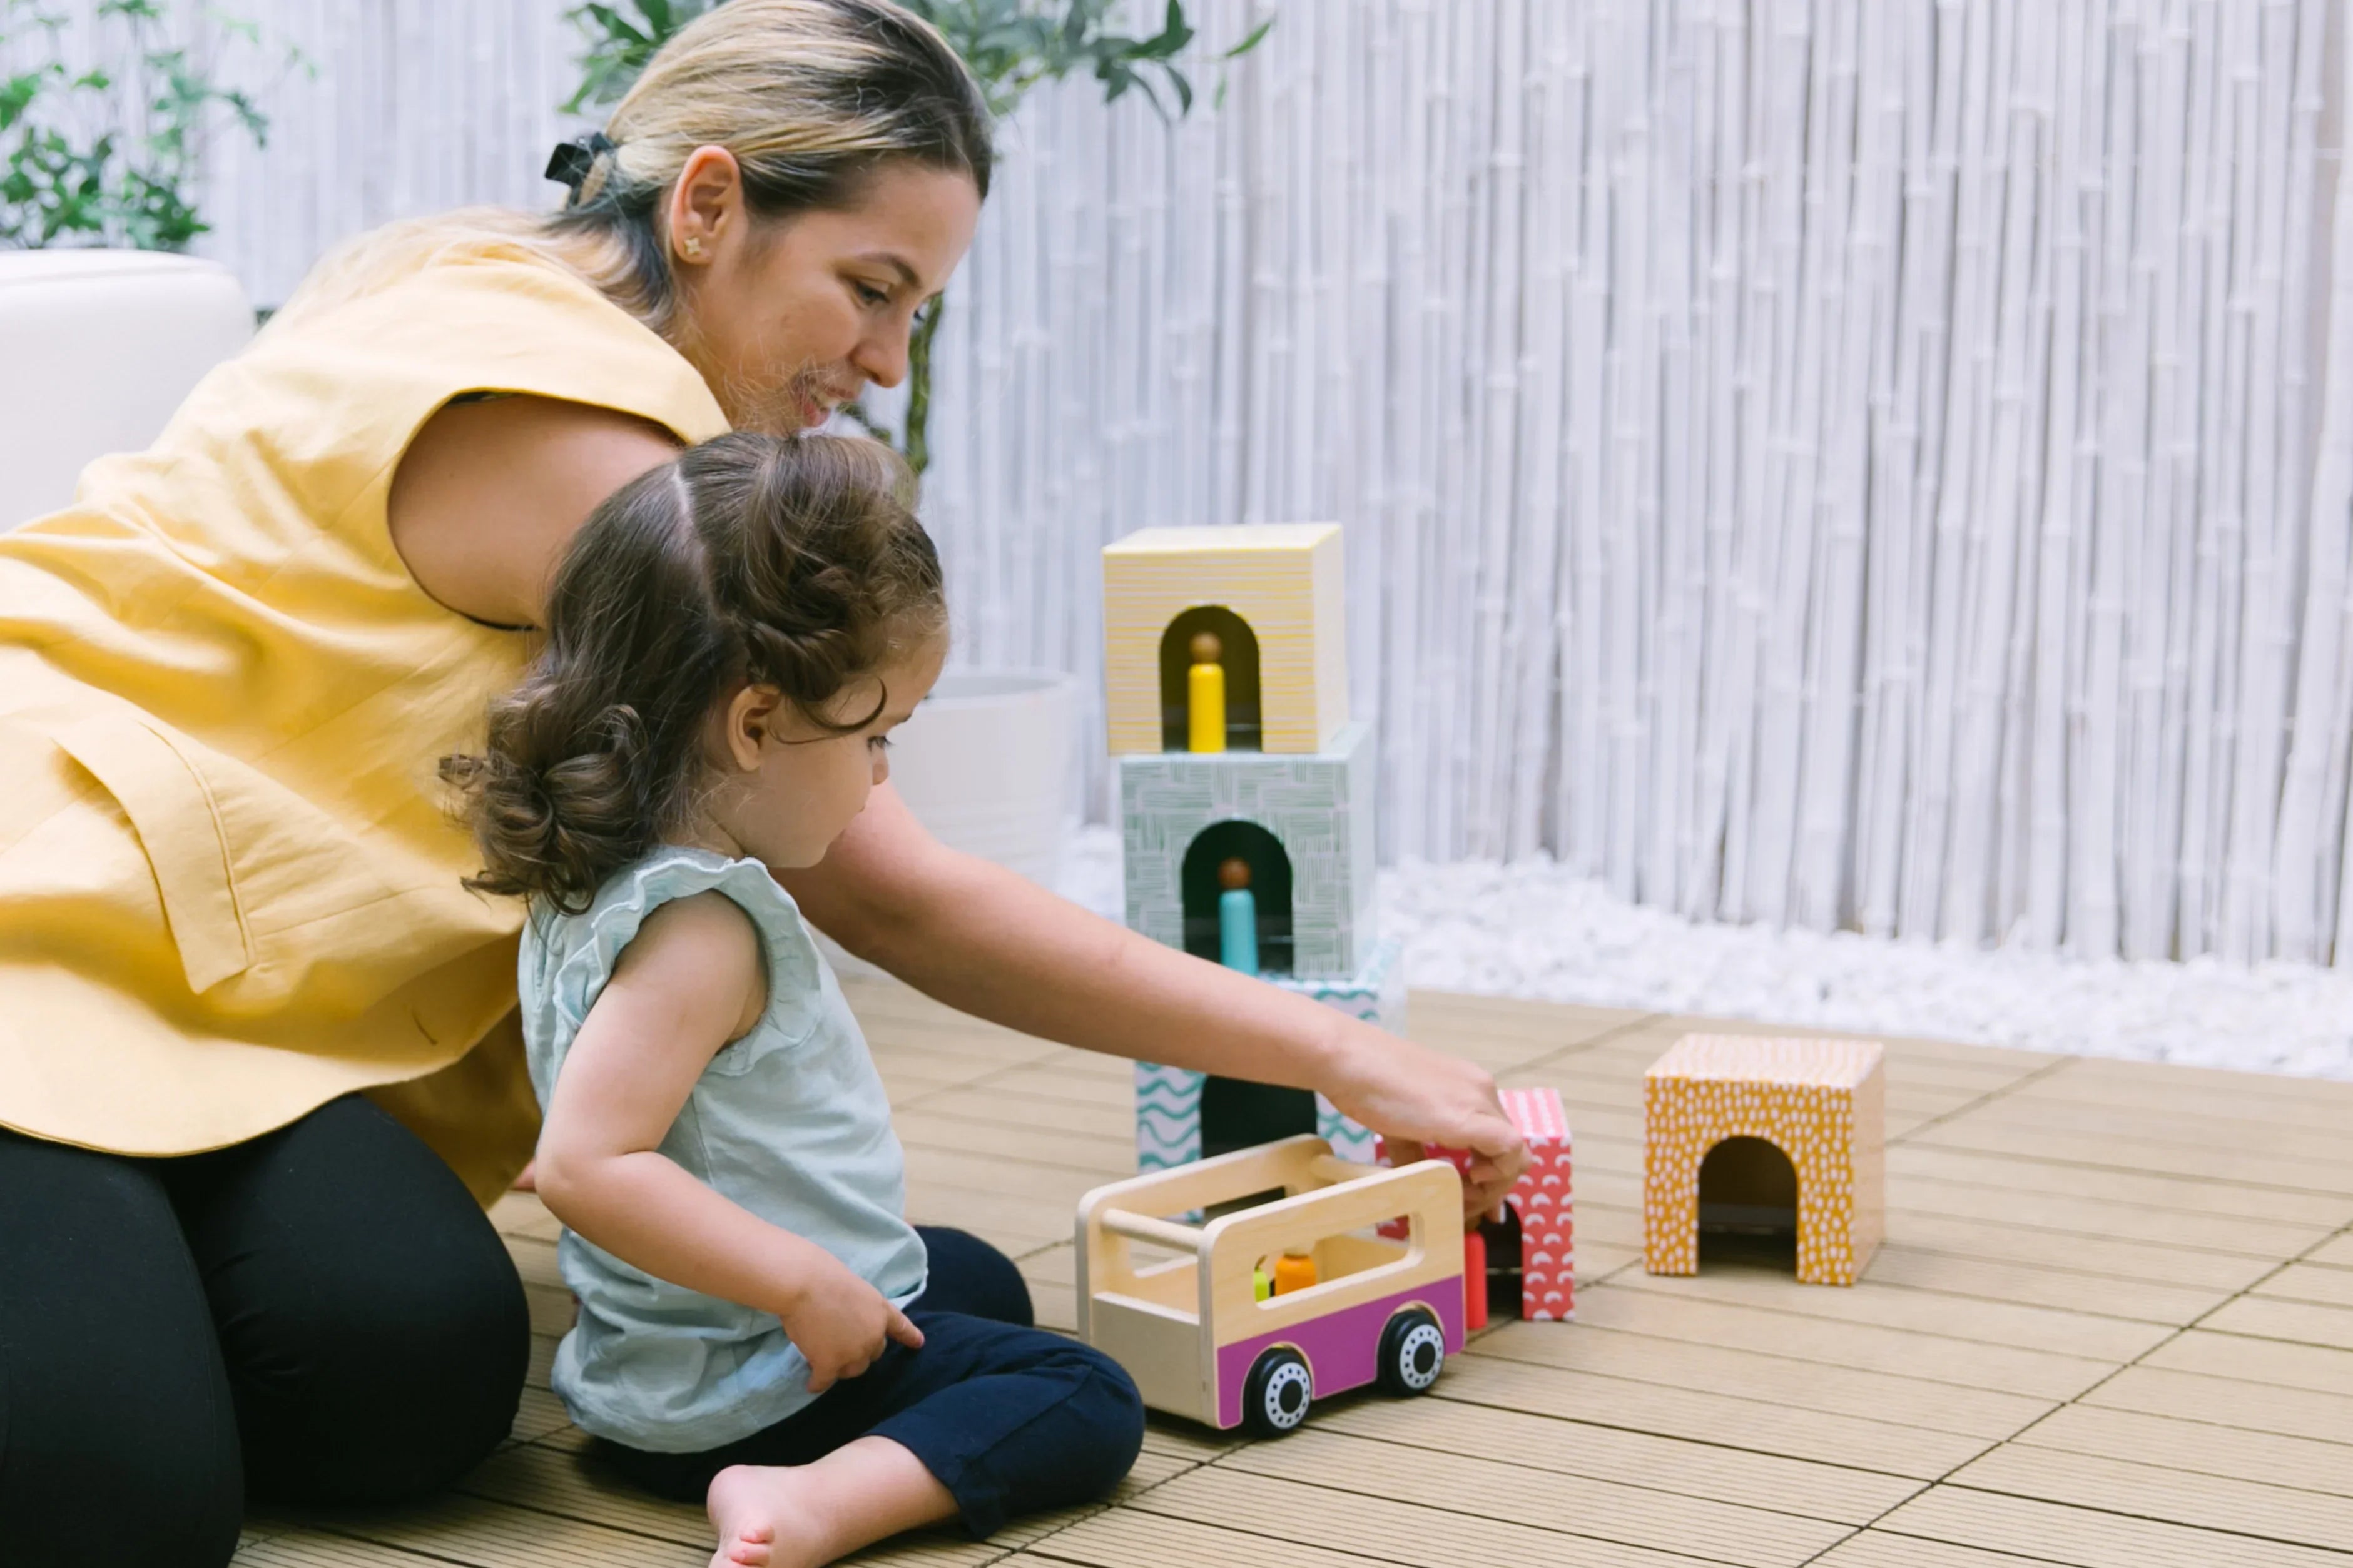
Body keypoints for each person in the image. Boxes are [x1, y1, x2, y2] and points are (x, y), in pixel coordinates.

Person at [0, 3, 1523, 1562]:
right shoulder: (594, 449)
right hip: (48, 919)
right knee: (113, 1509)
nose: (882, 362)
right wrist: (1341, 1053)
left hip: (239, 1003)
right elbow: (895, 889)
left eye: (916, 311)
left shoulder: (503, 299)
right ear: (710, 207)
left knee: (412, 1386)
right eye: (873, 292)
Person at [441, 428, 1141, 1567]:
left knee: (970, 1273)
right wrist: (802, 1282)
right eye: (873, 735)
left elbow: (606, 1116)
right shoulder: (705, 930)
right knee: (1081, 1393)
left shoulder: (599, 875)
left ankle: (803, 1414)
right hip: (745, 1386)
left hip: (659, 1362)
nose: (880, 775)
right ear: (756, 723)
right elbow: (585, 1167)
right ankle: (811, 1502)